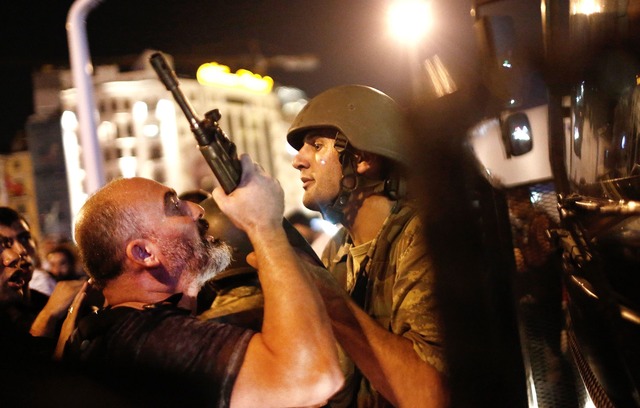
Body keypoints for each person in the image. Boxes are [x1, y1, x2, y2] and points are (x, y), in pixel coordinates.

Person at [63, 154, 343, 407]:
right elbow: (313, 379)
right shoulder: (148, 341)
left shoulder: (114, 333)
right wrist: (263, 225)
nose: (197, 210)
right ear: (144, 253)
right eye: (174, 206)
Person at [288, 85, 448, 407]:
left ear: (362, 158)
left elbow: (433, 394)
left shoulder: (422, 238)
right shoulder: (338, 250)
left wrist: (329, 301)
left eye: (317, 145)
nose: (298, 161)